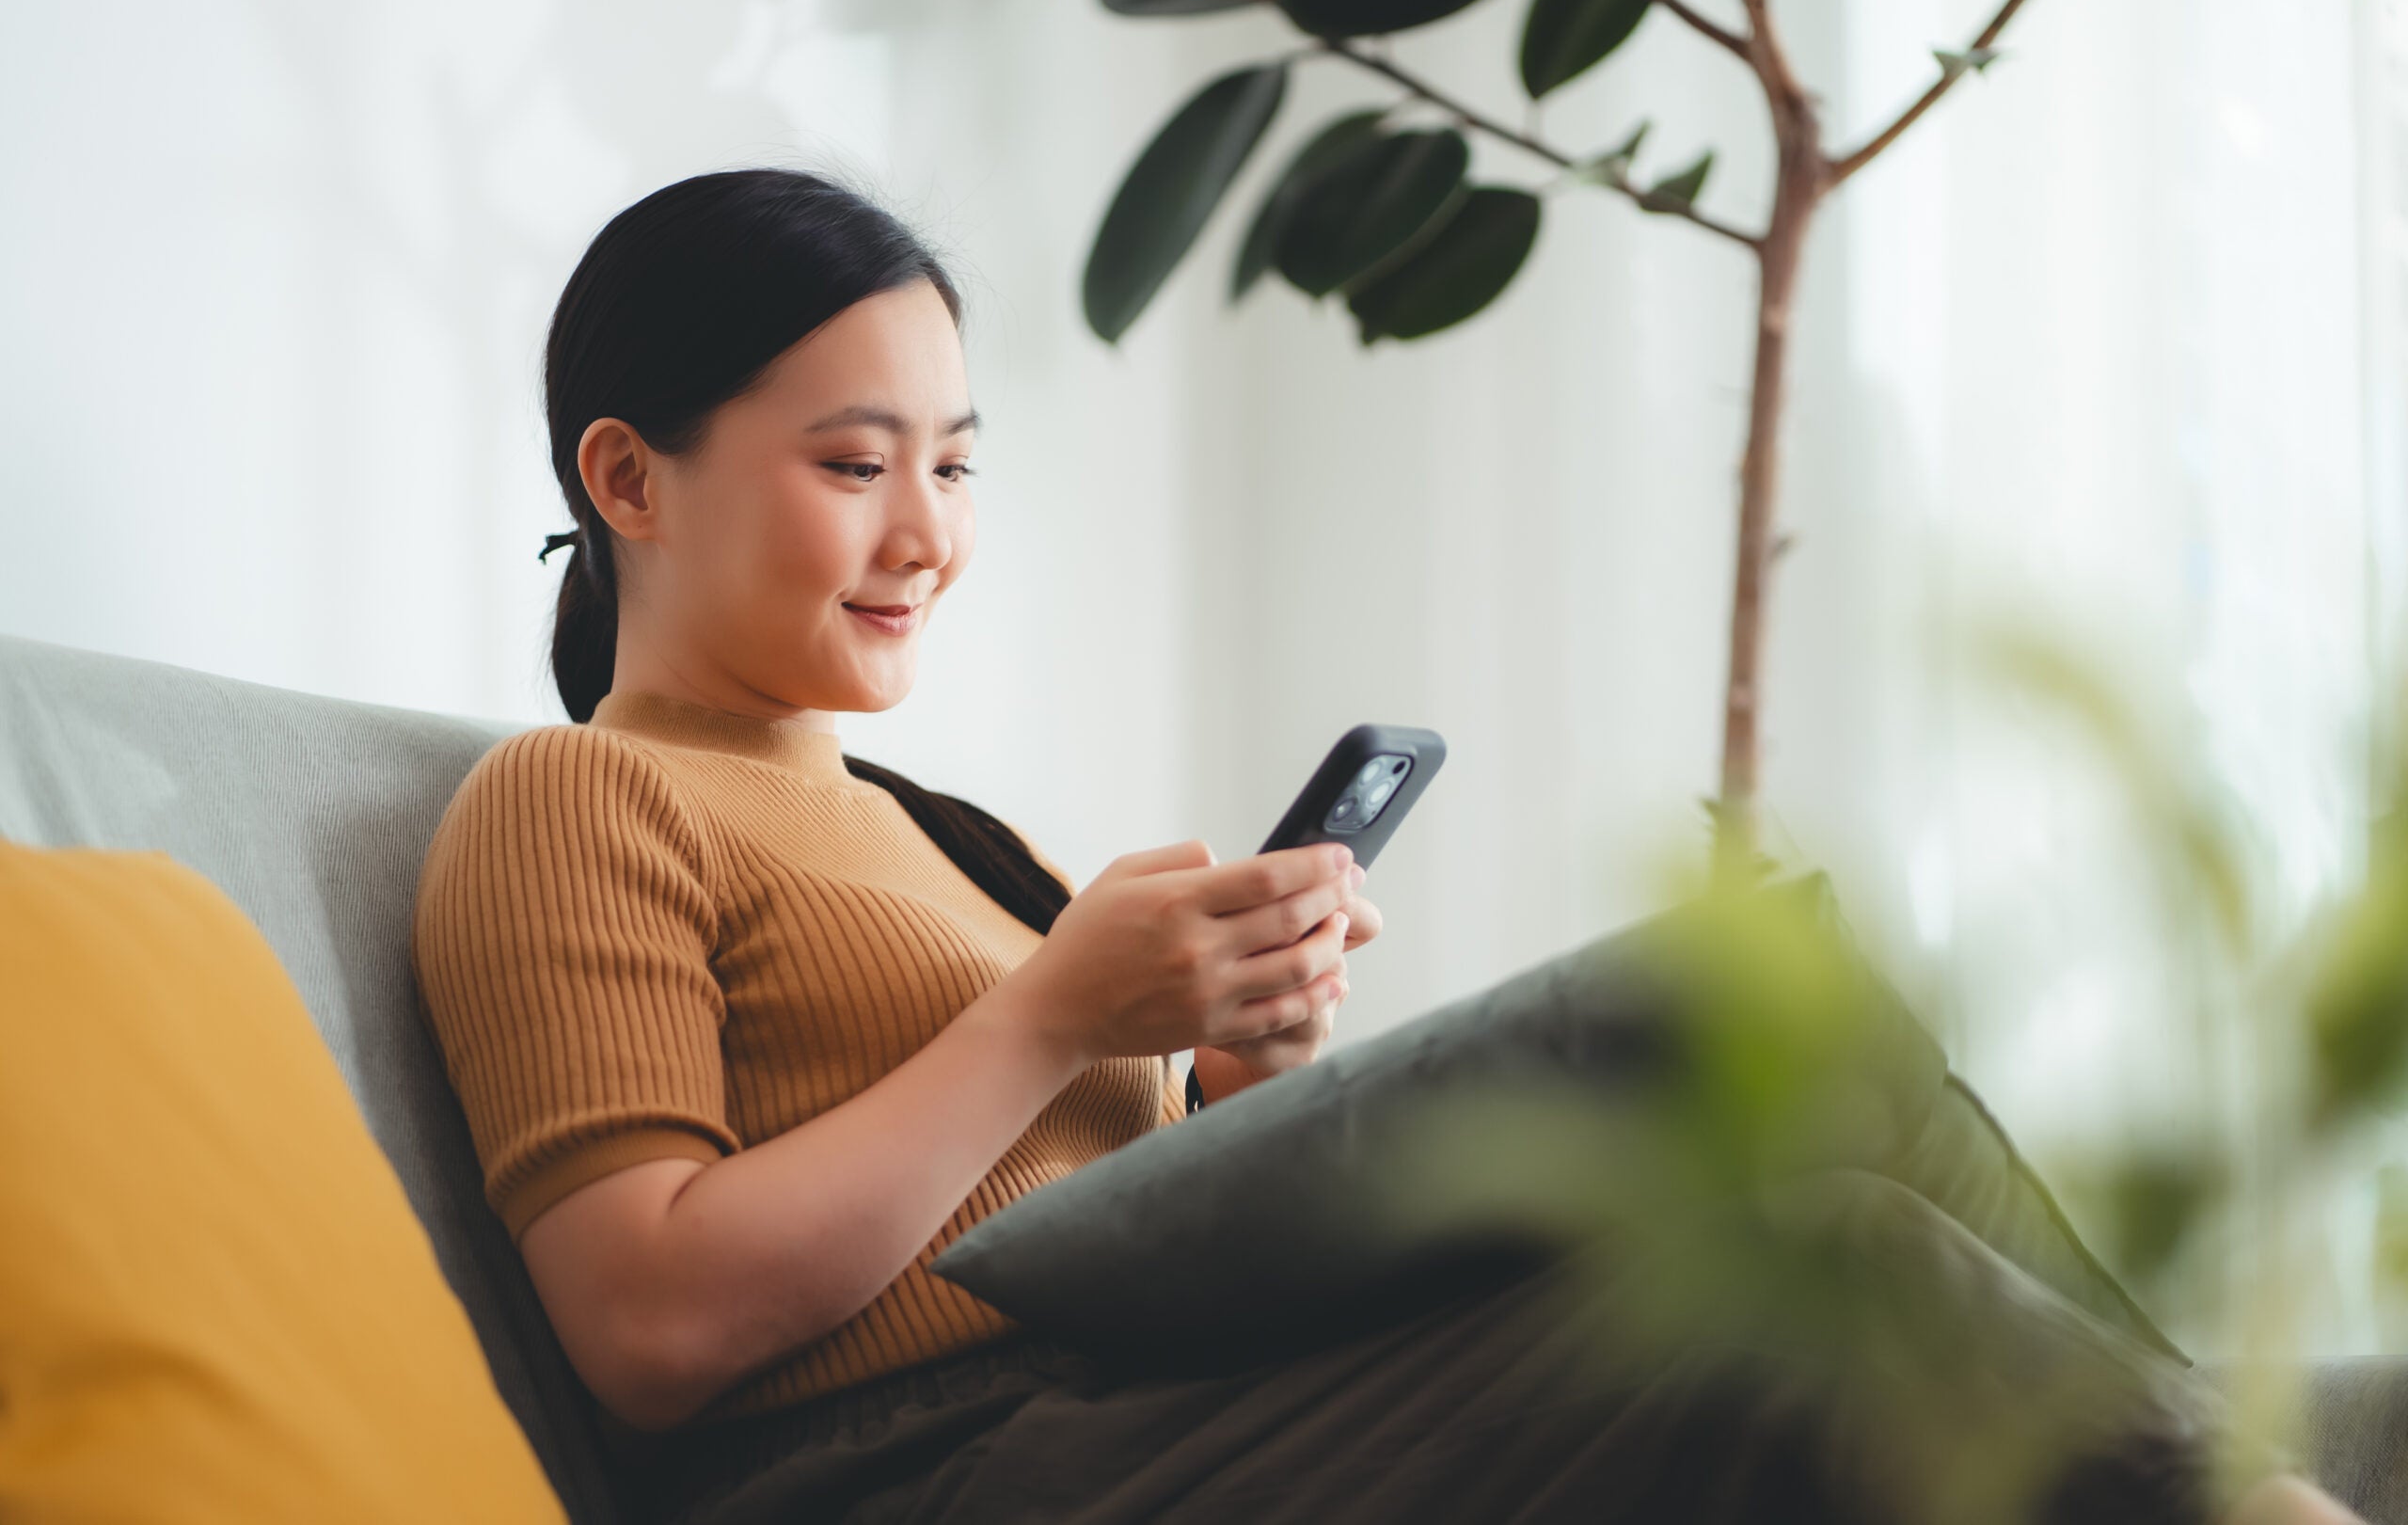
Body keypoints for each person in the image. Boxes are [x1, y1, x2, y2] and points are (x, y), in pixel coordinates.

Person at [408, 167, 2361, 1525]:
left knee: (1802, 1052)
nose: (927, 531)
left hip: (1134, 1412)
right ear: (625, 475)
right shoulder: (576, 800)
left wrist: (1245, 1064)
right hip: (913, 1484)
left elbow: (1077, 1226)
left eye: (957, 460)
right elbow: (648, 1324)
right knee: (1816, 1260)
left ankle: (2204, 1479)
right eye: (855, 465)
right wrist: (1042, 1018)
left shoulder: (939, 830)